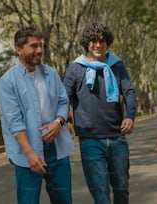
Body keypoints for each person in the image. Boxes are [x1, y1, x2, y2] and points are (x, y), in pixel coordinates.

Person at [0, 26, 74, 204]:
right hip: (27, 152)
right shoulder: (7, 82)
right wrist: (29, 153)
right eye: (33, 46)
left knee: (64, 200)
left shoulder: (51, 74)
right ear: (18, 49)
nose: (39, 50)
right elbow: (14, 121)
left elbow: (63, 102)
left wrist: (58, 123)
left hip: (56, 149)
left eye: (40, 45)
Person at [63, 23, 136, 204]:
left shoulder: (116, 65)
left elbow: (128, 92)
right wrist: (65, 121)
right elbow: (64, 97)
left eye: (102, 41)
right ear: (87, 43)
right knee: (100, 191)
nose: (98, 45)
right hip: (90, 139)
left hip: (117, 137)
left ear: (107, 43)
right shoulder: (75, 68)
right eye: (93, 41)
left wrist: (130, 116)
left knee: (122, 187)